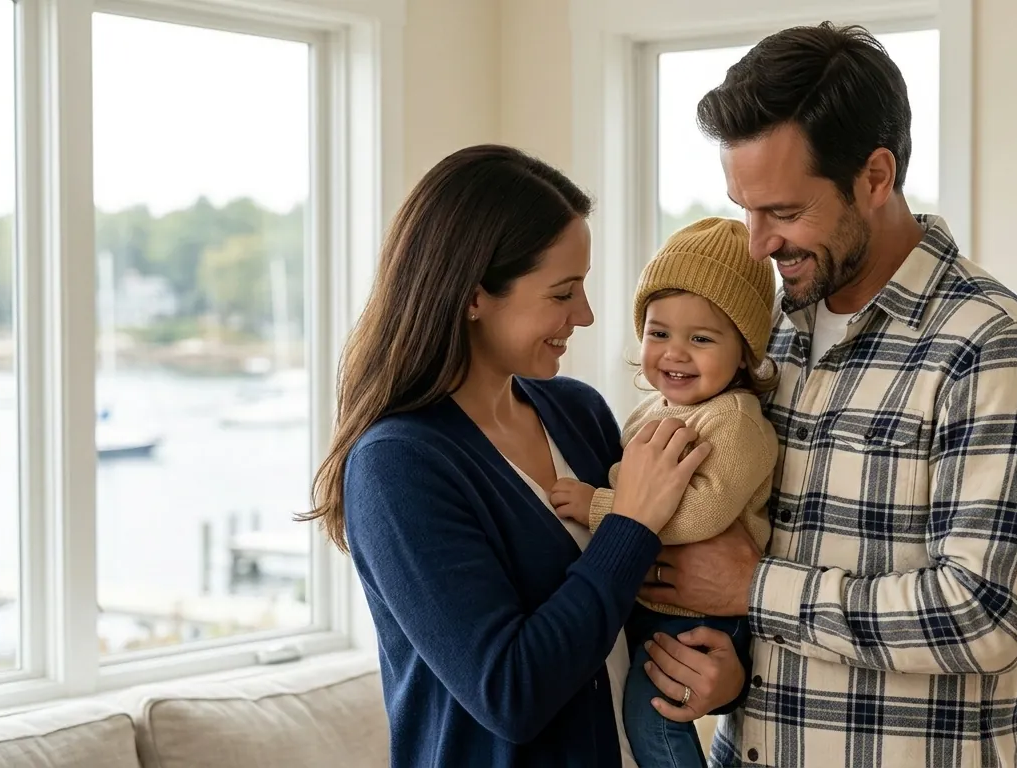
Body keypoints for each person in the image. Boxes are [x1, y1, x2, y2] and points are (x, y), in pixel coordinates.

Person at [636, 23, 1017, 768]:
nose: (757, 243)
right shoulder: (765, 336)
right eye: (744, 208)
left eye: (782, 212)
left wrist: (756, 590)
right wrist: (731, 674)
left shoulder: (990, 347)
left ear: (875, 178)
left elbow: (983, 616)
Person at [299, 144, 746, 768]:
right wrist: (630, 523)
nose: (585, 315)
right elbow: (510, 693)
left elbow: (636, 608)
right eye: (563, 293)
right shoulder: (398, 466)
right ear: (475, 295)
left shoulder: (579, 412)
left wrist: (724, 678)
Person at [549, 216, 778, 768]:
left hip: (704, 611)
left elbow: (699, 513)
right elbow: (633, 485)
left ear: (744, 350)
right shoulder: (648, 413)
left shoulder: (736, 421)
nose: (675, 353)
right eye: (659, 333)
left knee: (654, 717)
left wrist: (599, 506)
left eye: (701, 339)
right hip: (652, 599)